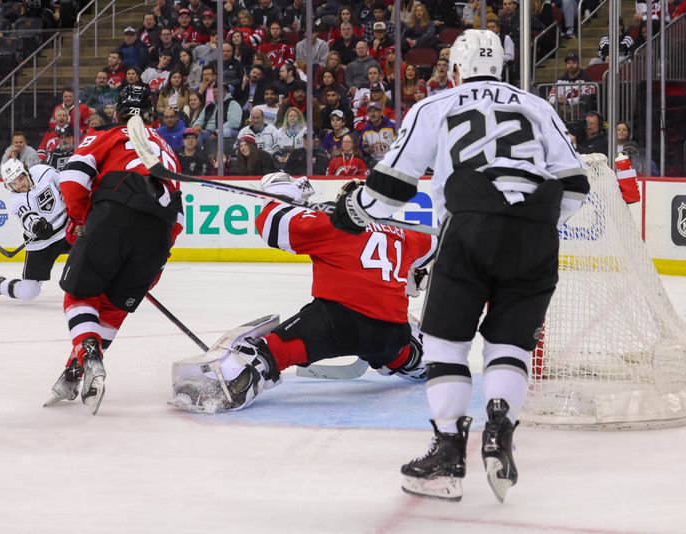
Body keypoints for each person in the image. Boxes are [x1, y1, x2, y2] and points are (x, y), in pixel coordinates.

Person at [329, 30, 589, 503]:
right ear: (501, 69)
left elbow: (393, 182)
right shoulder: (537, 106)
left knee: (445, 342)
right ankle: (498, 431)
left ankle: (449, 450)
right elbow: (575, 185)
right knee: (510, 342)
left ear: (454, 71)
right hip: (537, 231)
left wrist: (356, 207)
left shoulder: (436, 106)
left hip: (469, 225)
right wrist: (529, 220)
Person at [173, 173, 436, 412]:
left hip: (336, 325)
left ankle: (227, 385)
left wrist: (287, 192)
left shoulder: (334, 222)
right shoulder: (406, 232)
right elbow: (437, 245)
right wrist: (417, 272)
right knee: (402, 346)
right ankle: (415, 360)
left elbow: (272, 224)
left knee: (269, 353)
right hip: (390, 333)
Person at [48, 85, 183, 414]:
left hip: (115, 213)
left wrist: (80, 219)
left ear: (118, 111)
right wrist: (155, 265)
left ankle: (88, 355)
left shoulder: (107, 132)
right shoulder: (167, 150)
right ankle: (75, 371)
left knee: (78, 297)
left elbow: (73, 178)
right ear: (150, 114)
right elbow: (177, 219)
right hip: (159, 235)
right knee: (111, 310)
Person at [0, 160, 71, 305]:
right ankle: (1, 285)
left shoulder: (43, 172)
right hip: (42, 243)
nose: (19, 185)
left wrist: (70, 199)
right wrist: (37, 226)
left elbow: (66, 185)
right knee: (29, 291)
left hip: (67, 231)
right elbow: (27, 217)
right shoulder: (17, 200)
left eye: (21, 179)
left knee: (91, 251)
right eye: (13, 183)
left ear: (27, 172)